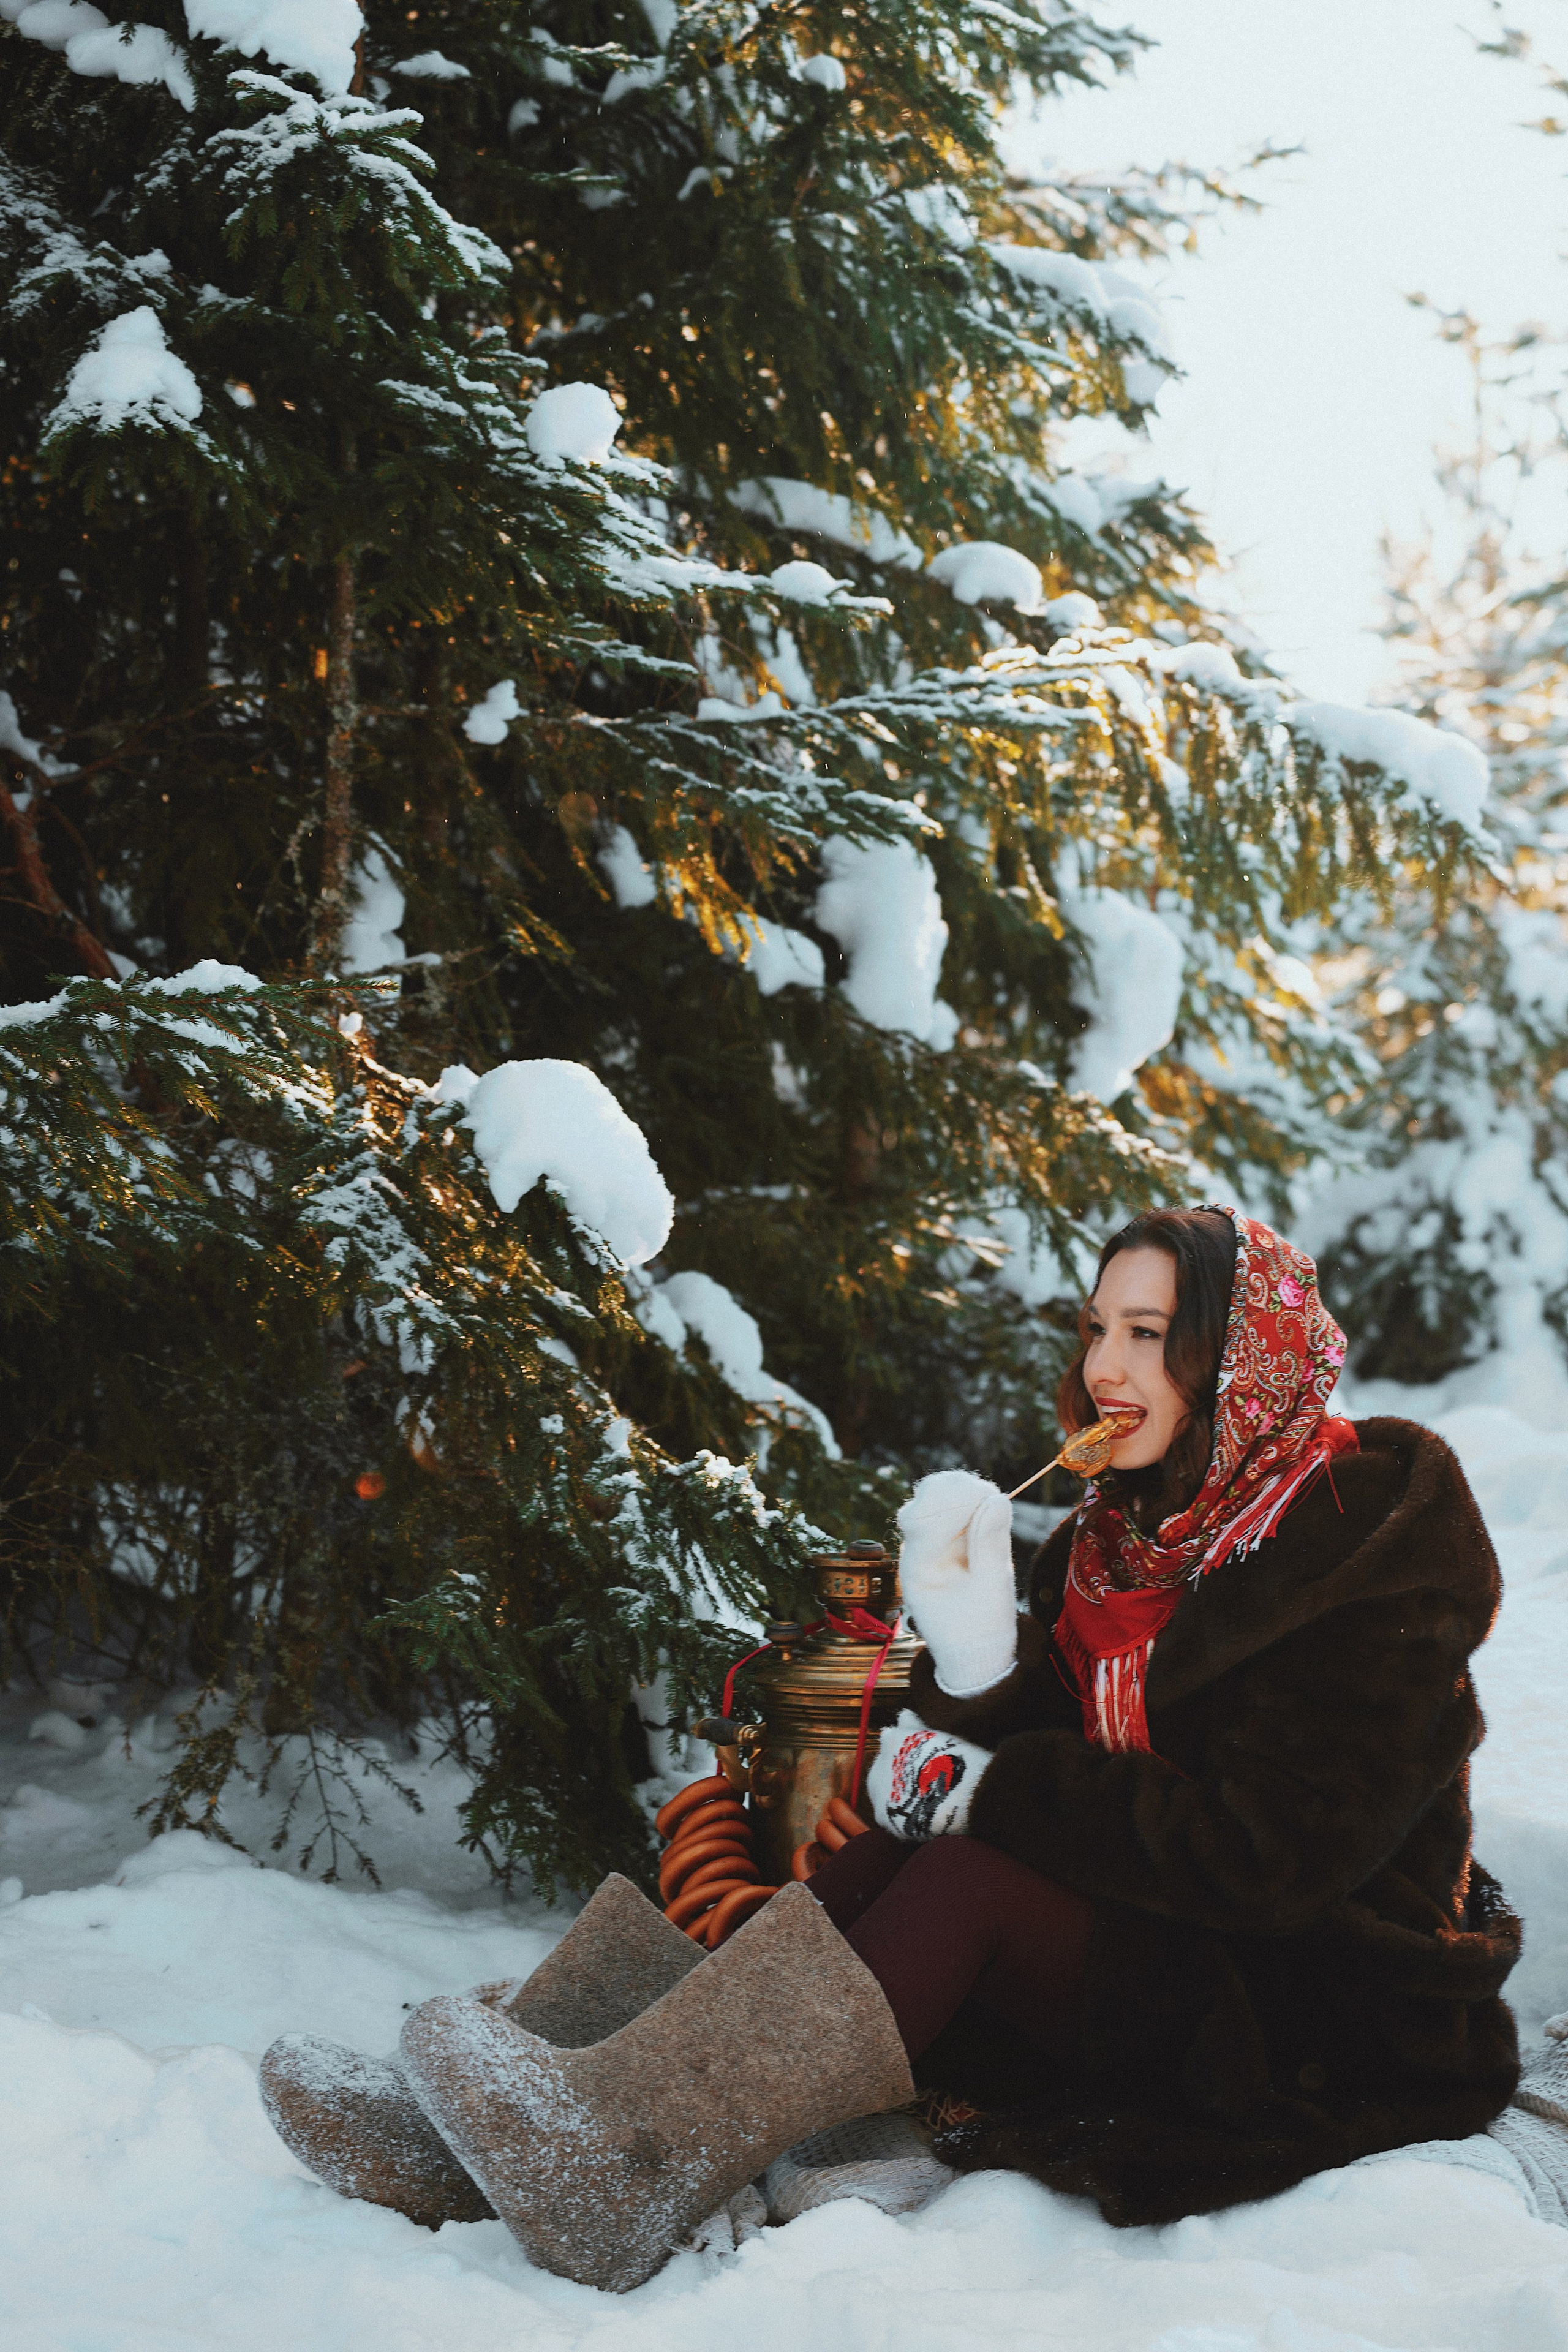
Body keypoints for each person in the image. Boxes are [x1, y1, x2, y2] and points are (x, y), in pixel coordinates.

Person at [260, 1204, 1520, 2289]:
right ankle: (556, 2085)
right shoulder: (1119, 1540)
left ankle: (621, 2153)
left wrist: (989, 1786)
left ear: (1239, 1361)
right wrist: (977, 1675)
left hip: (1310, 2002)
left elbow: (1263, 1861)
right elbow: (1071, 1761)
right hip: (1173, 1948)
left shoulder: (1356, 1567)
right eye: (1094, 1329)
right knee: (882, 1869)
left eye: (1148, 1334)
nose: (1103, 1370)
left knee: (970, 1871)